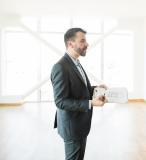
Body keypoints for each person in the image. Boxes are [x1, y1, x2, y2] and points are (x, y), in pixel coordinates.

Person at [51, 28, 107, 160]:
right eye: (82, 41)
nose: (87, 44)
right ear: (70, 44)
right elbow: (60, 101)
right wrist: (91, 103)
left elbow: (79, 89)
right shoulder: (60, 67)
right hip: (72, 127)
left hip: (79, 125)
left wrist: (96, 89)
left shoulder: (76, 63)